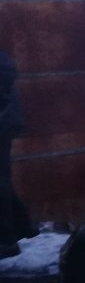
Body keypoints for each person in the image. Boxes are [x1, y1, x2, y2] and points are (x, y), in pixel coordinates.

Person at [0, 49, 35, 259]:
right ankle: (24, 226)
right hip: (5, 121)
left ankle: (5, 240)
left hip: (3, 123)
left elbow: (6, 74)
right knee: (2, 178)